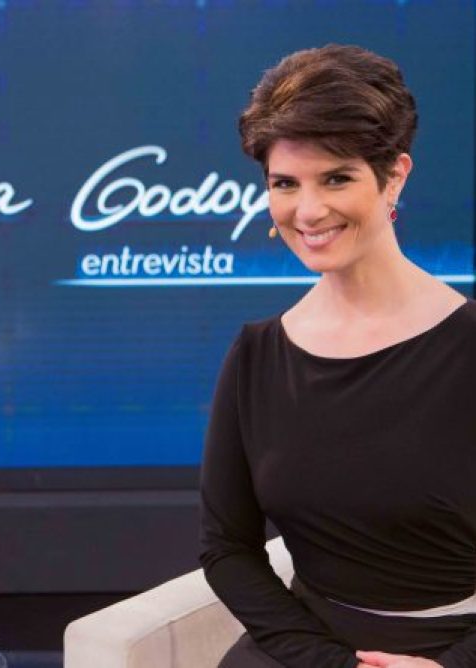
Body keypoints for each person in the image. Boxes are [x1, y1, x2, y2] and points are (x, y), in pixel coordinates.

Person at [199, 44, 476, 668]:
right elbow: (227, 548)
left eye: (336, 178)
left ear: (394, 176)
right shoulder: (256, 355)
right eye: (285, 184)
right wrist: (331, 662)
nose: (308, 211)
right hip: (308, 649)